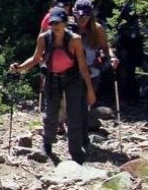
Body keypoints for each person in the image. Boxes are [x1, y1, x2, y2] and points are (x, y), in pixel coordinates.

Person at [9, 9, 97, 163]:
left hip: (73, 78)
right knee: (50, 114)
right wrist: (19, 68)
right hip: (52, 78)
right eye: (52, 23)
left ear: (65, 23)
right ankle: (47, 145)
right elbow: (36, 59)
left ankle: (76, 153)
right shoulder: (44, 38)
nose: (54, 26)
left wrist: (89, 90)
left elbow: (82, 66)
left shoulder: (74, 39)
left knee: (74, 115)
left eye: (57, 23)